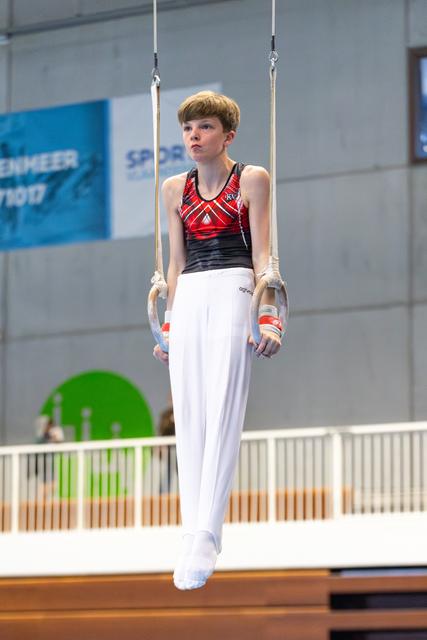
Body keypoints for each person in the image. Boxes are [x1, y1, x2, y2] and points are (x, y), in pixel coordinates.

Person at [153, 91, 283, 590]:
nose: (193, 136)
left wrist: (268, 315)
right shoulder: (172, 189)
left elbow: (265, 254)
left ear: (227, 135)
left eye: (204, 127)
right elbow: (176, 263)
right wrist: (167, 323)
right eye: (188, 128)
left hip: (234, 288)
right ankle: (191, 530)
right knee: (187, 416)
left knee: (221, 409)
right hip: (189, 296)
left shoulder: (251, 179)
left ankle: (209, 531)